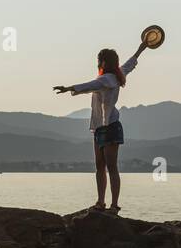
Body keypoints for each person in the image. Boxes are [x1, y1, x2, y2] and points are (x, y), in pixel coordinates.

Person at [53, 43, 146, 213]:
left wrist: (68, 88)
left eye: (99, 60)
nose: (98, 63)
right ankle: (102, 202)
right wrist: (143, 47)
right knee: (101, 166)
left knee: (109, 166)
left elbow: (87, 85)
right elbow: (130, 64)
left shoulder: (106, 79)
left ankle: (113, 204)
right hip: (100, 127)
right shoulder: (118, 75)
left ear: (103, 62)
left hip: (109, 126)